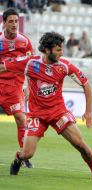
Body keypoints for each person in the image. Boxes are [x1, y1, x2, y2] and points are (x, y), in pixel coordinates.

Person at [0, 32, 92, 180]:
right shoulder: (30, 63)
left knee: (80, 144)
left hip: (58, 112)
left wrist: (89, 111)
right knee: (27, 154)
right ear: (47, 50)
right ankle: (18, 158)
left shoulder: (65, 66)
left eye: (62, 49)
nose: (62, 53)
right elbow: (3, 67)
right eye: (58, 50)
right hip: (36, 115)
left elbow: (86, 85)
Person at [0, 8, 34, 168]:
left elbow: (31, 65)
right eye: (11, 21)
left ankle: (24, 154)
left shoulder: (25, 42)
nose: (14, 24)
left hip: (14, 87)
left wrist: (28, 85)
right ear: (4, 22)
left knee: (21, 119)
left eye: (16, 21)